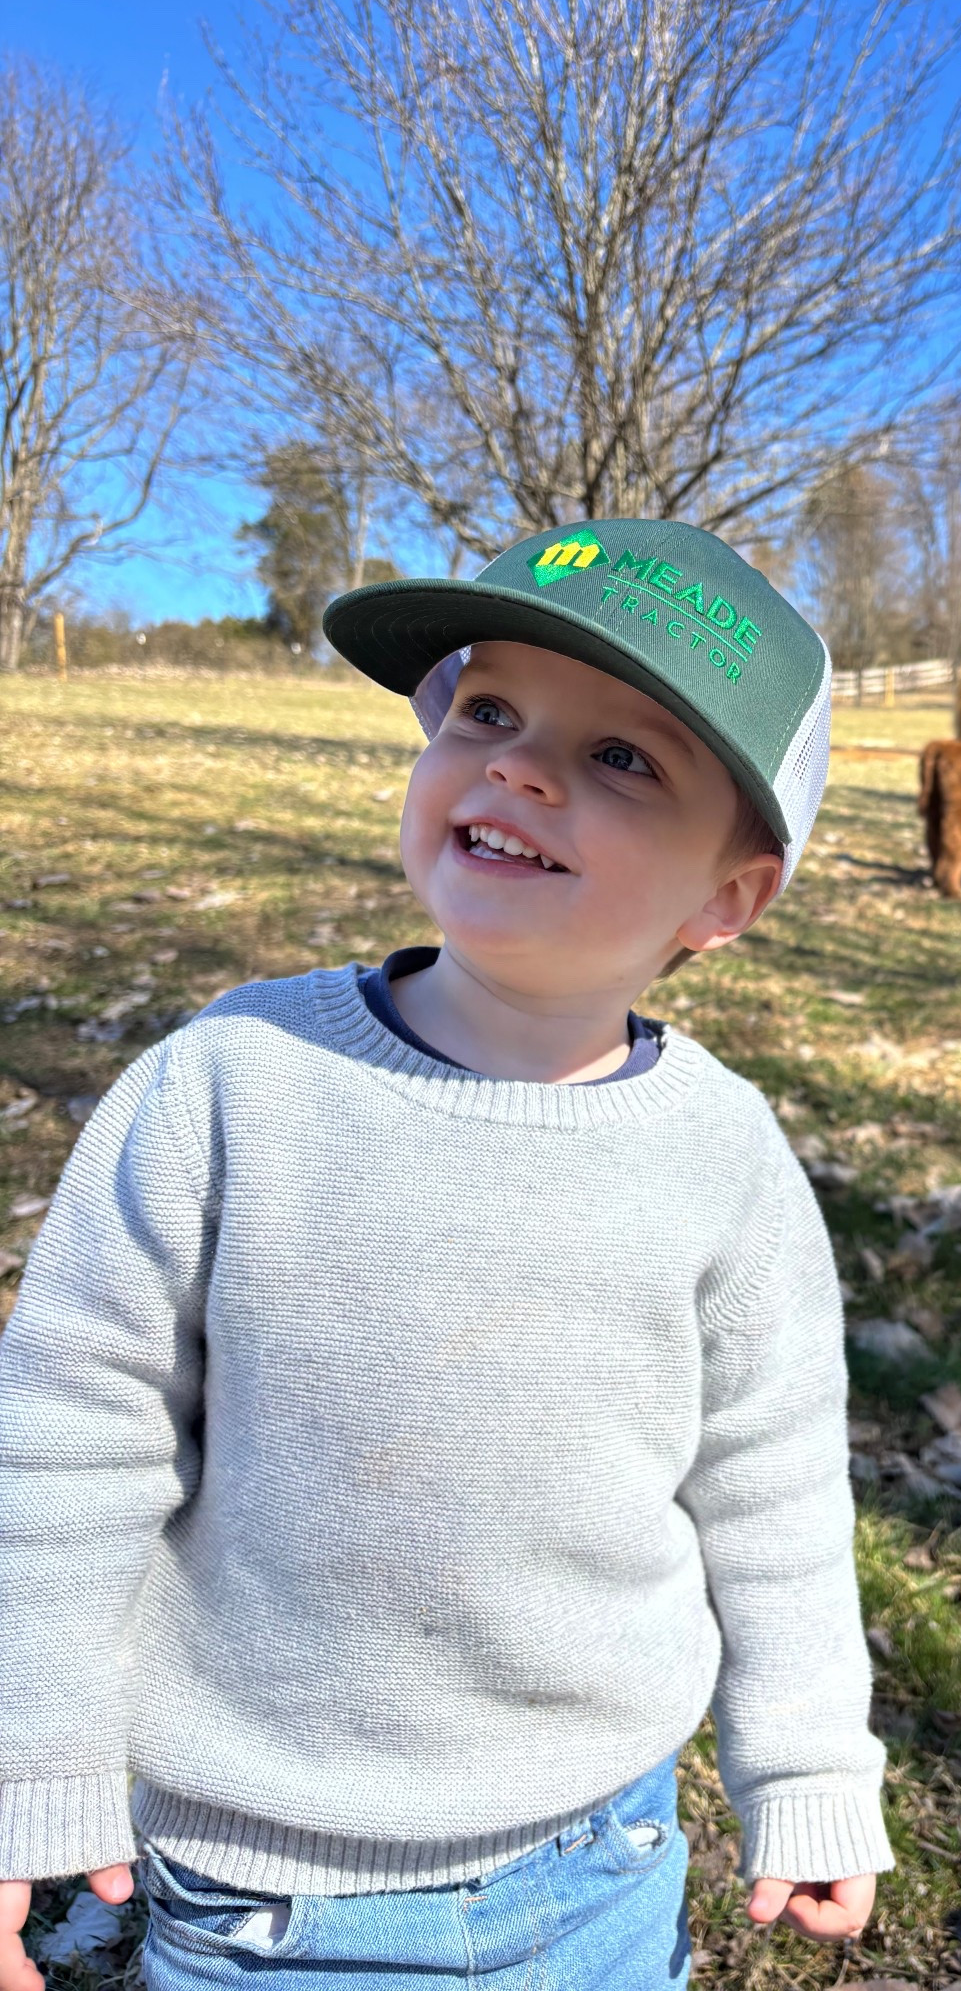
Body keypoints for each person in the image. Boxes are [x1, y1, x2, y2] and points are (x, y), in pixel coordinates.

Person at [0, 519, 892, 1991]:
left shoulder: (724, 1163)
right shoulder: (233, 1079)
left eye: (625, 760)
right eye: (489, 712)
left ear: (727, 899)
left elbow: (775, 1483)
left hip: (598, 1870)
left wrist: (805, 1765)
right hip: (257, 1888)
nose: (521, 768)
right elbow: (72, 1432)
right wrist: (32, 1755)